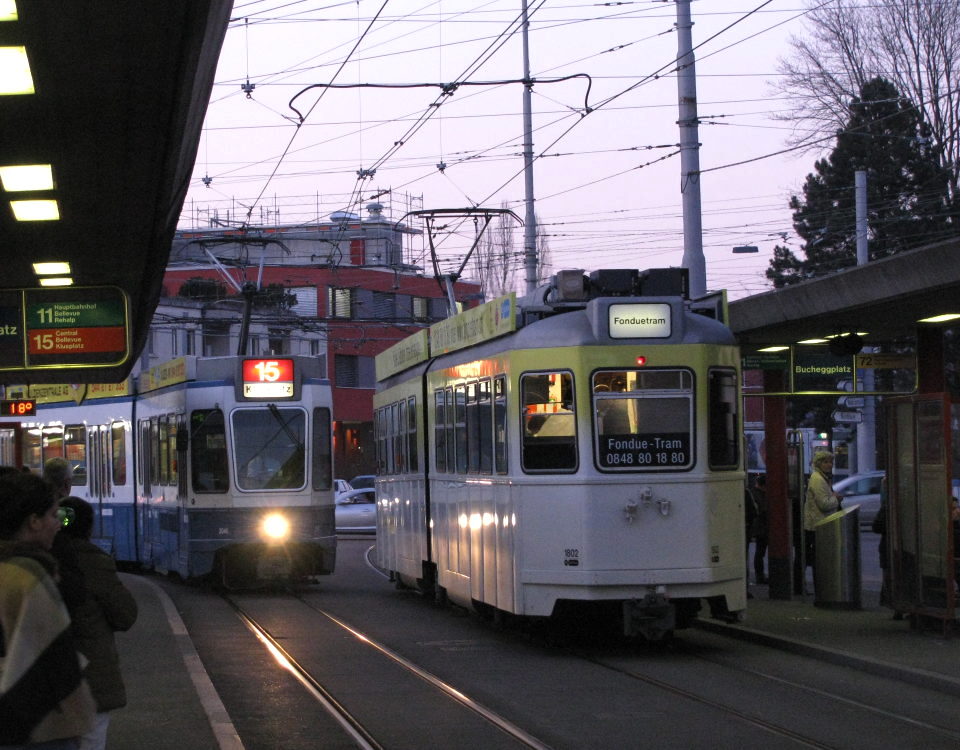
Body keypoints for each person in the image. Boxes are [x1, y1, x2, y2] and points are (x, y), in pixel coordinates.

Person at [0, 471, 96, 749]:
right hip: (39, 730)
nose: (58, 525)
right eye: (53, 516)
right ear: (33, 522)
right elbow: (55, 661)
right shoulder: (28, 575)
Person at [51, 498, 138, 750]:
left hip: (45, 684)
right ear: (90, 528)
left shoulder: (37, 560)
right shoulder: (95, 563)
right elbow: (125, 615)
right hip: (91, 678)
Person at [803, 451, 840, 584]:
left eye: (831, 462)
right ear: (818, 464)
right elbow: (824, 504)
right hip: (818, 525)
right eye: (825, 462)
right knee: (819, 560)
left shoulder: (822, 477)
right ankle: (822, 587)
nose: (829, 465)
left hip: (819, 524)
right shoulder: (818, 479)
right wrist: (836, 499)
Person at [752, 475, 769, 585]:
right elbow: (764, 509)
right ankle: (760, 576)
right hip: (762, 527)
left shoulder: (754, 493)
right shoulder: (760, 495)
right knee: (760, 552)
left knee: (759, 552)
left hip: (759, 527)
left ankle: (760, 575)